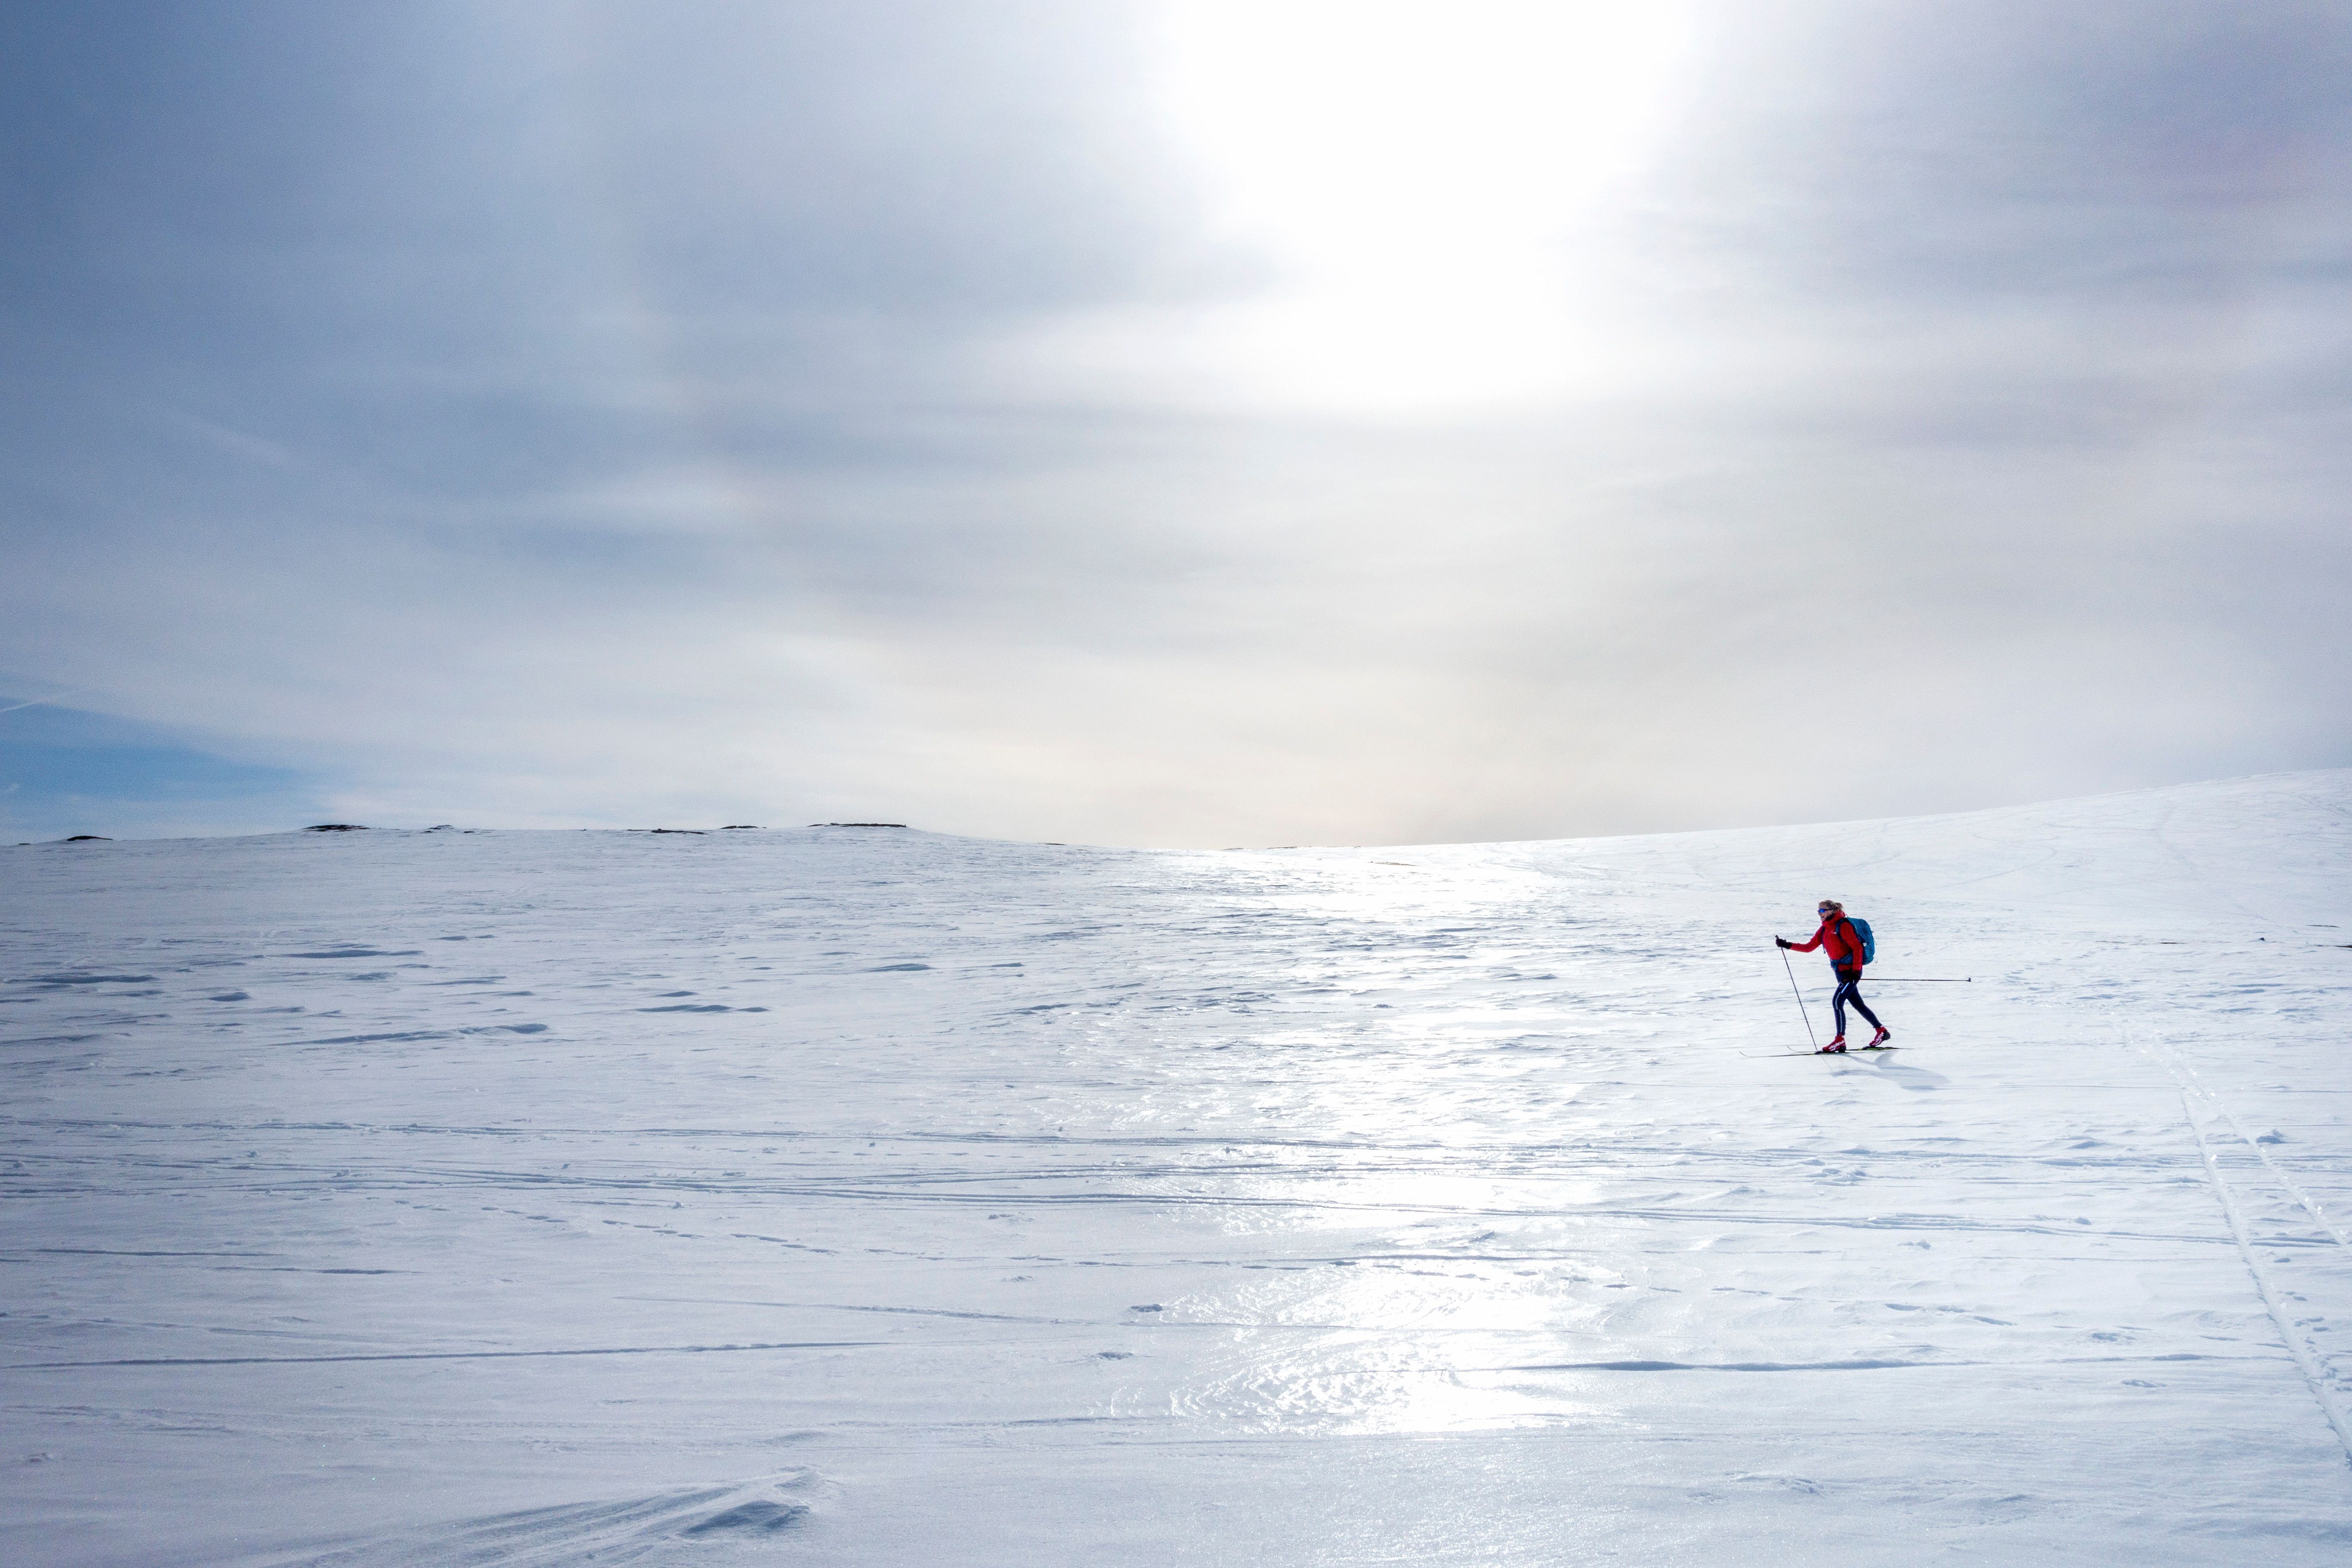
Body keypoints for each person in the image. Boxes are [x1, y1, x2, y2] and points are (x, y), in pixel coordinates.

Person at [1777, 899, 1889, 1053]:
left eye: (1822, 911)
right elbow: (1809, 947)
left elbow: (1857, 948)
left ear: (1832, 911)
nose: (1820, 914)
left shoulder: (1843, 926)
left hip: (1851, 973)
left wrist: (1856, 971)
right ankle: (1881, 1032)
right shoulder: (1824, 929)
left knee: (1837, 1002)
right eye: (1818, 911)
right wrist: (1787, 945)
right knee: (1858, 1004)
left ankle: (1840, 1040)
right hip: (1840, 973)